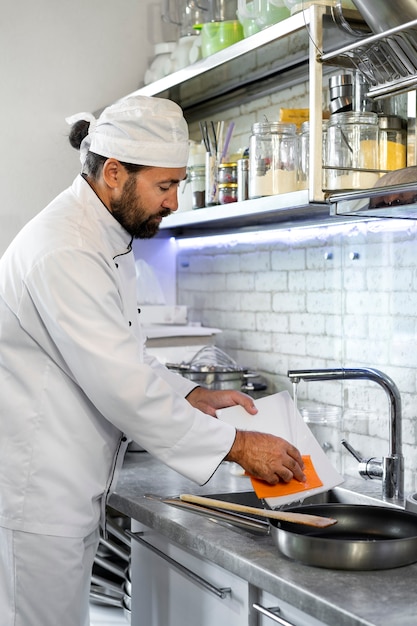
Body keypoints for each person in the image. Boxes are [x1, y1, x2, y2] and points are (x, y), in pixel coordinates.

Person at [0, 95, 305, 626]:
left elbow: (124, 358)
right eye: (165, 186)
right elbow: (121, 385)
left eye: (178, 185)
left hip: (57, 486)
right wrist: (238, 445)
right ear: (114, 173)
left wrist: (191, 393)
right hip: (36, 494)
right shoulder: (67, 247)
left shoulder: (96, 233)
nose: (174, 202)